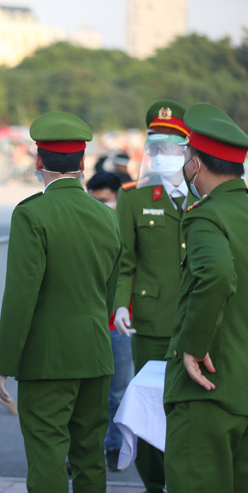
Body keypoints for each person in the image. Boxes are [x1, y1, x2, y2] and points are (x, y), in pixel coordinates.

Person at [0, 111, 121, 493]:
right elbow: (108, 291)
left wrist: (4, 364)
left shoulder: (32, 214)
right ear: (82, 163)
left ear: (38, 161)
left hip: (47, 360)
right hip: (96, 352)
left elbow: (20, 297)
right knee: (89, 455)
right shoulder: (107, 216)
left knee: (47, 455)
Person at [163, 103, 248, 492]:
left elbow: (215, 274)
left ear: (196, 163)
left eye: (185, 155)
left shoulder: (206, 216)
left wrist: (193, 346)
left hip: (210, 393)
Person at [112, 99, 194, 492]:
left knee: (191, 409)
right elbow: (124, 260)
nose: (162, 154)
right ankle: (153, 482)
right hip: (151, 320)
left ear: (187, 147)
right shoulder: (134, 198)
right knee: (150, 409)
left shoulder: (206, 196)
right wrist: (120, 307)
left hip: (199, 320)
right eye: (155, 146)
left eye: (171, 145)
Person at [86, 171, 135, 472]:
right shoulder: (84, 229)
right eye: (93, 201)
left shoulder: (130, 232)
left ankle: (115, 446)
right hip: (90, 325)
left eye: (104, 201)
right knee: (88, 396)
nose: (99, 207)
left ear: (119, 199)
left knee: (118, 393)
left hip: (119, 327)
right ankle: (85, 450)